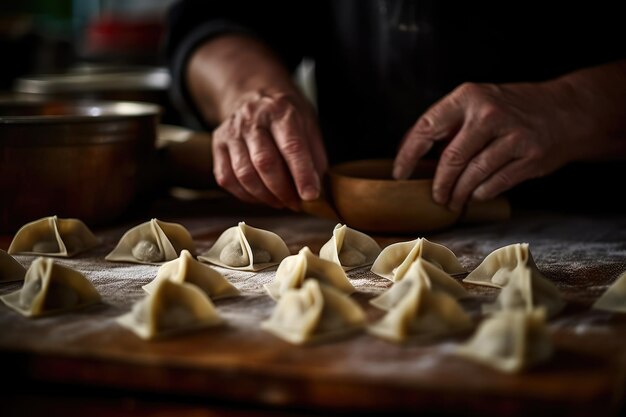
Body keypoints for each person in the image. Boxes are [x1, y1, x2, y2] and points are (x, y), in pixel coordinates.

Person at [165, 0, 626, 213]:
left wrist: (575, 105)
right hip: (342, 233)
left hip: (595, 227)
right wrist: (249, 91)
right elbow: (216, 18)